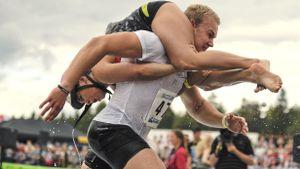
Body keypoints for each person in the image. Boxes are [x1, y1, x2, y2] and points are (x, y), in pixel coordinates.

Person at [39, 3, 282, 122]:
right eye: (210, 36)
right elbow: (196, 105)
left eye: (82, 98)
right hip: (151, 27)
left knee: (188, 62)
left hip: (153, 14)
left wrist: (63, 87)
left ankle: (256, 63)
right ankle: (250, 73)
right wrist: (222, 121)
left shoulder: (100, 69)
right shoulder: (112, 76)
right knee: (197, 78)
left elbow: (132, 65)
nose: (211, 43)